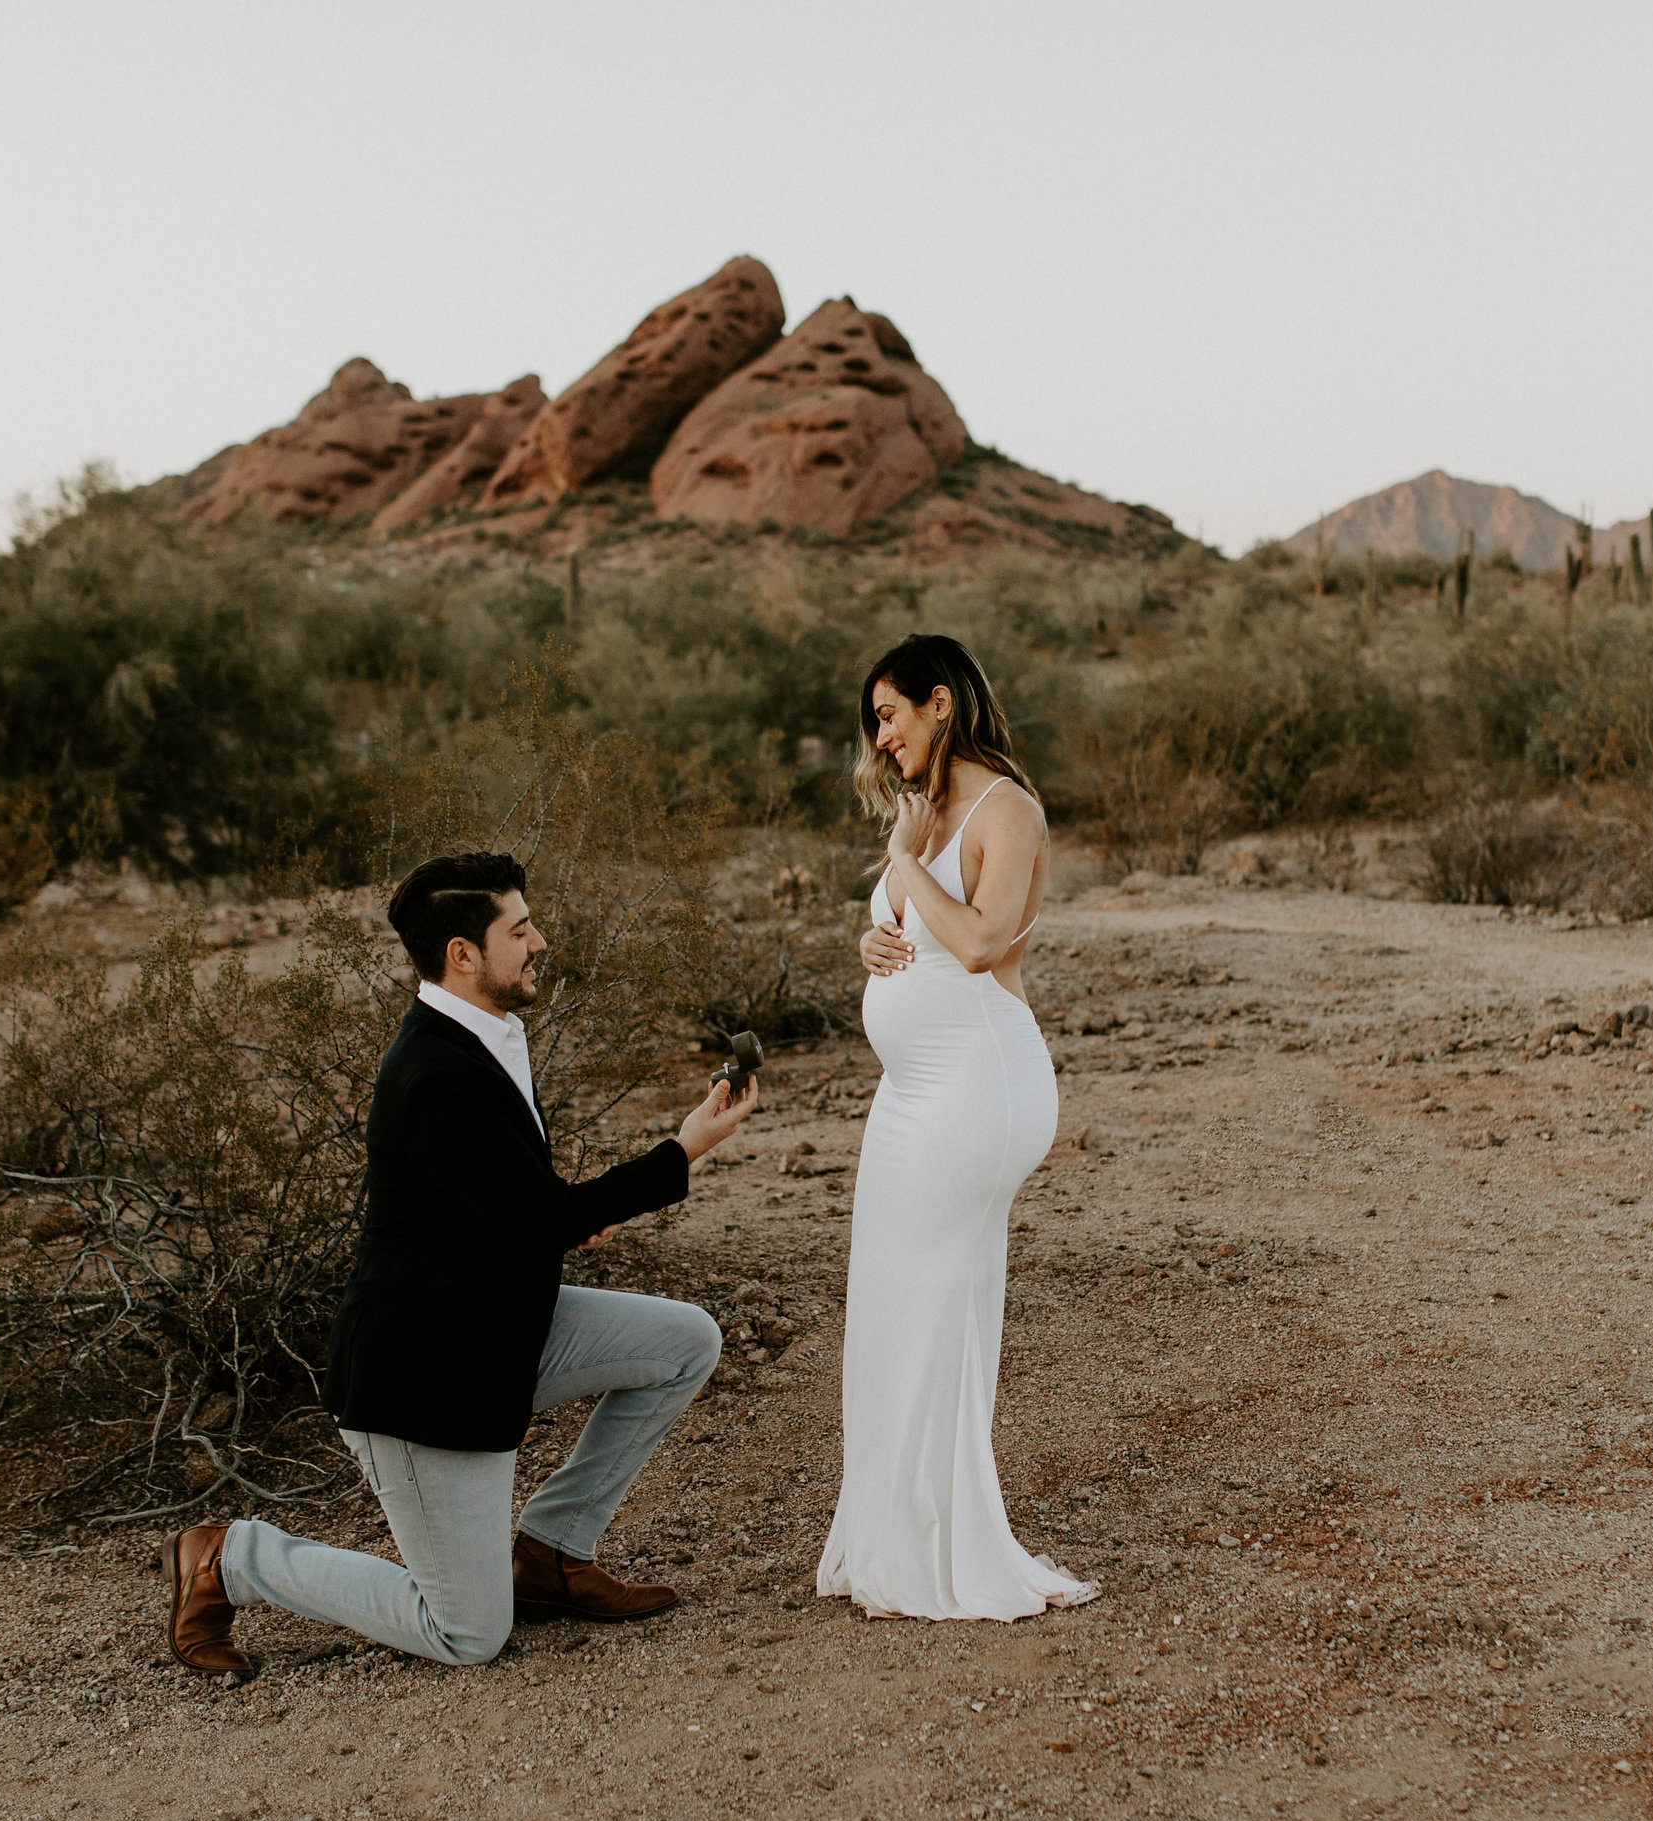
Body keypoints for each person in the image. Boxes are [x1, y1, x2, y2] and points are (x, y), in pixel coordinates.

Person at [161, 851, 758, 1674]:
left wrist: (555, 1224)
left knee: (684, 1342)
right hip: (422, 1379)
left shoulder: (487, 1034)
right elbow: (541, 1212)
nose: (540, 941)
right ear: (462, 954)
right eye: (520, 930)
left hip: (496, 1328)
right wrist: (684, 1147)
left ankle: (551, 1552)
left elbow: (507, 1203)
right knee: (469, 1634)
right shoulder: (434, 1072)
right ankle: (230, 1558)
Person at [816, 634, 1097, 1621]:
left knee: (938, 1305)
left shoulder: (1002, 808)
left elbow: (980, 941)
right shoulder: (921, 810)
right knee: (893, 1301)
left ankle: (945, 1549)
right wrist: (874, 930)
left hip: (980, 1083)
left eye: (889, 715)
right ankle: (896, 1532)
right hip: (910, 1096)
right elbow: (914, 929)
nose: (880, 738)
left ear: (939, 704)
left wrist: (902, 866)